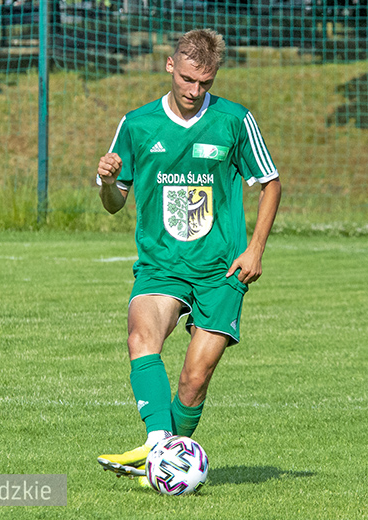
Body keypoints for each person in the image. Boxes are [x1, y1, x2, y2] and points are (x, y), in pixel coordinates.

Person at [95, 28, 282, 482]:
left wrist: (256, 248)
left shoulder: (235, 120)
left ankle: (159, 466)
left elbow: (270, 182)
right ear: (170, 67)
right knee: (141, 338)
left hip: (221, 269)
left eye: (206, 84)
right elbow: (116, 202)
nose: (195, 92)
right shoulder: (137, 124)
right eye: (188, 80)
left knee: (194, 381)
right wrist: (105, 182)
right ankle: (160, 446)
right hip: (162, 264)